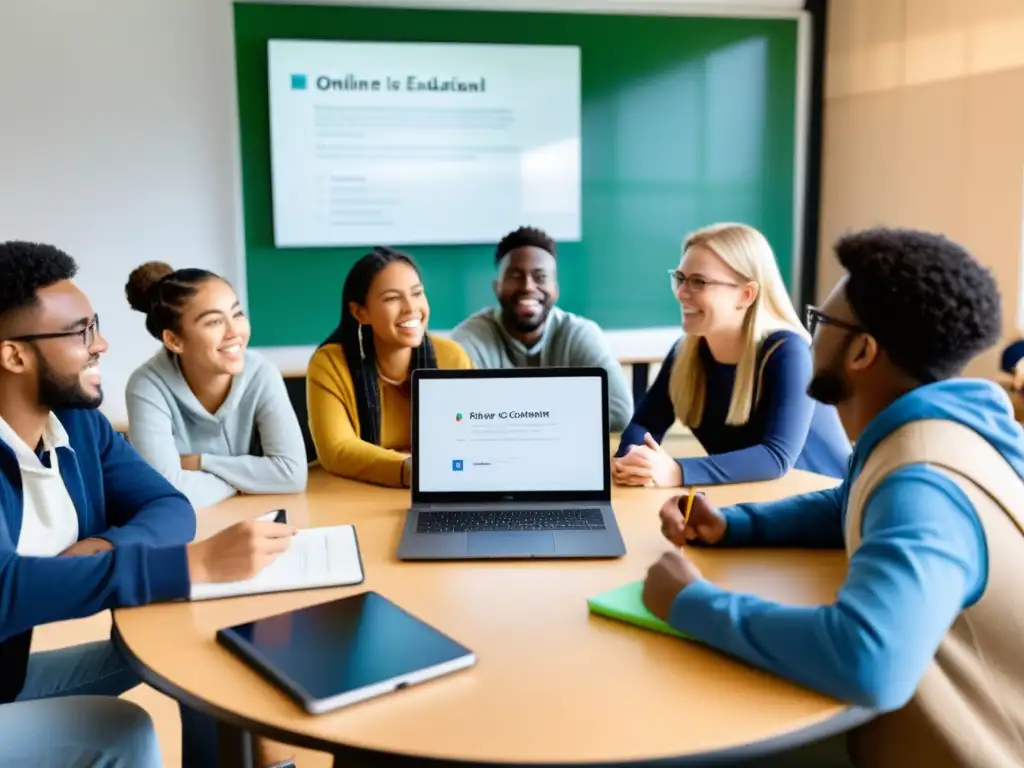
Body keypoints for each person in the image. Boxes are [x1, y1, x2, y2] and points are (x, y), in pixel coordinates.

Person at [641, 227, 1024, 768]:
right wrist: (735, 526)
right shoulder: (937, 433)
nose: (807, 333)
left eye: (821, 322)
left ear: (862, 351)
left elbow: (868, 661)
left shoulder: (922, 480)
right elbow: (849, 500)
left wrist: (691, 604)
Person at [0, 241, 298, 767]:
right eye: (81, 333)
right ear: (14, 354)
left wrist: (104, 547)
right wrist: (191, 564)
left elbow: (168, 505)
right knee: (121, 730)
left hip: (10, 675)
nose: (102, 344)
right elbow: (5, 592)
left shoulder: (78, 426)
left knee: (205, 644)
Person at [613, 222, 850, 487]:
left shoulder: (788, 352)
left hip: (825, 510)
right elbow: (645, 423)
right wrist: (631, 459)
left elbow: (775, 457)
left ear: (746, 294)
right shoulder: (686, 352)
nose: (681, 293)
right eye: (680, 279)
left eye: (698, 282)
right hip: (754, 505)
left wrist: (677, 471)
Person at [123, 261, 308, 509]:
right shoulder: (146, 386)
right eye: (214, 322)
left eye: (237, 314)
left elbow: (292, 475)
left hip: (251, 516)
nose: (235, 332)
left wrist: (201, 462)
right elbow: (163, 492)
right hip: (189, 530)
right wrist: (247, 481)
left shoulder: (262, 373)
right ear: (174, 340)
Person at [308, 246, 472, 486]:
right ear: (360, 312)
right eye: (393, 298)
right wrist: (411, 469)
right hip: (354, 492)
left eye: (417, 293)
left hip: (440, 488)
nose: (410, 308)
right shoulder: (330, 364)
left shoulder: (452, 357)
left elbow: (471, 435)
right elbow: (337, 450)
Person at [451, 226, 633, 430]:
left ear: (555, 289)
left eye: (540, 277)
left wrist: (501, 414)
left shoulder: (580, 334)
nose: (528, 286)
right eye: (515, 276)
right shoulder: (469, 339)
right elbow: (454, 414)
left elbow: (619, 412)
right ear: (497, 287)